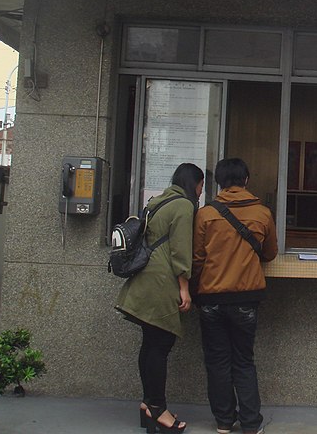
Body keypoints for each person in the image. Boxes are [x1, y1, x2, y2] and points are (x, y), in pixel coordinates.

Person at [115, 162, 205, 433]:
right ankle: (158, 409)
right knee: (160, 346)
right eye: (201, 185)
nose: (201, 192)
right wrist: (184, 287)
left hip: (144, 278)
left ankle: (148, 405)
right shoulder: (184, 205)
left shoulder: (159, 200)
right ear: (194, 183)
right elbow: (180, 250)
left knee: (151, 343)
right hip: (161, 281)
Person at [191, 158, 278, 434]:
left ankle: (224, 422)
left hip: (211, 298)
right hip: (246, 299)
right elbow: (270, 253)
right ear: (246, 180)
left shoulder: (205, 214)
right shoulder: (262, 213)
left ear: (218, 182)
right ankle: (251, 424)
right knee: (243, 360)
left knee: (217, 361)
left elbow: (197, 258)